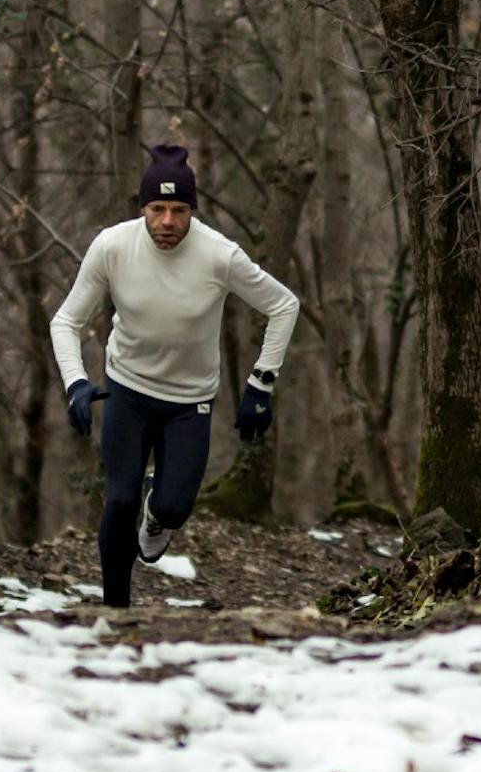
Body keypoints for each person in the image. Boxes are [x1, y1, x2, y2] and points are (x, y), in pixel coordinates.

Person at [50, 144, 300, 612]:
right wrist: (76, 383)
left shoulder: (219, 256)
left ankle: (158, 513)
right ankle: (116, 610)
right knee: (119, 500)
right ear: (142, 208)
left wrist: (261, 384)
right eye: (158, 209)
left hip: (190, 402)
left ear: (192, 211)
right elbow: (64, 321)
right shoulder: (112, 246)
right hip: (126, 389)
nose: (168, 221)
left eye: (179, 210)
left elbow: (284, 305)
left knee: (173, 508)